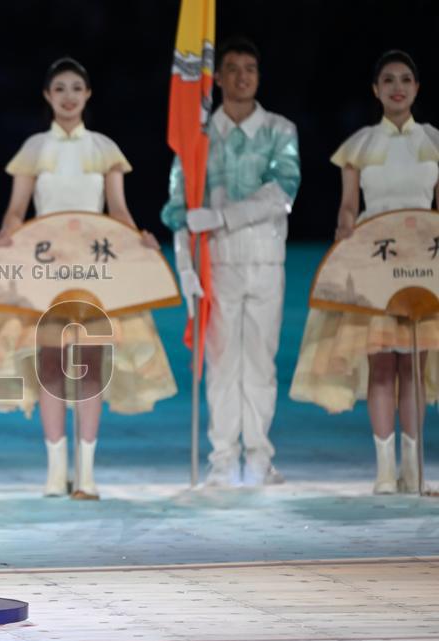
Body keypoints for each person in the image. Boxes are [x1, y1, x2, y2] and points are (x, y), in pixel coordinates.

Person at [0, 57, 176, 500]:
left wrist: (138, 237)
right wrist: (7, 232)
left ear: (88, 94)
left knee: (91, 365)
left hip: (95, 274)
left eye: (76, 88)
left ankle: (87, 474)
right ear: (47, 95)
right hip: (46, 272)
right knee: (51, 366)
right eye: (59, 88)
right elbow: (17, 209)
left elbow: (117, 210)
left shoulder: (103, 147)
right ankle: (55, 470)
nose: (68, 96)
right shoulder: (35, 147)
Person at [290, 50, 439, 494]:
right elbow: (348, 206)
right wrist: (344, 231)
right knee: (382, 364)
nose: (398, 87)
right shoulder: (360, 144)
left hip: (422, 263)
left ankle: (414, 470)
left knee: (413, 364)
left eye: (406, 79)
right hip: (377, 262)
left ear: (417, 88)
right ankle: (384, 472)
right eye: (388, 80)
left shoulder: (433, 140)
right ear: (376, 90)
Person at [161, 37, 301, 487]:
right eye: (233, 69)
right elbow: (180, 208)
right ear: (217, 77)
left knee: (260, 362)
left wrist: (224, 216)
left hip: (264, 260)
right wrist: (185, 269)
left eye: (250, 69)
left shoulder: (279, 130)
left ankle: (259, 456)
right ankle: (223, 458)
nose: (243, 77)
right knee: (221, 364)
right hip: (216, 263)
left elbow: (282, 192)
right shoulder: (196, 136)